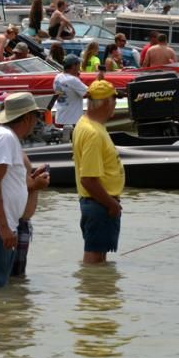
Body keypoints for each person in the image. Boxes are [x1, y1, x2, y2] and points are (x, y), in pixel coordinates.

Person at [0, 92, 50, 286]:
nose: (37, 121)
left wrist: (32, 182)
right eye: (36, 116)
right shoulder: (4, 138)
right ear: (27, 117)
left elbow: (5, 182)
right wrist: (4, 228)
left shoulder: (5, 137)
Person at [73, 79, 125, 264]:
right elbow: (88, 179)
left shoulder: (86, 123)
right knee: (95, 258)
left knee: (99, 258)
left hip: (98, 202)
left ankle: (97, 284)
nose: (115, 104)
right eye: (114, 100)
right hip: (99, 203)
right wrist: (112, 205)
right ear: (106, 102)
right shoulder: (93, 133)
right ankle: (92, 284)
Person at [54, 56, 88, 139]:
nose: (80, 67)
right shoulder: (72, 80)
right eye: (79, 64)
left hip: (60, 117)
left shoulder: (58, 77)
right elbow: (89, 93)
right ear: (73, 66)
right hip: (72, 120)